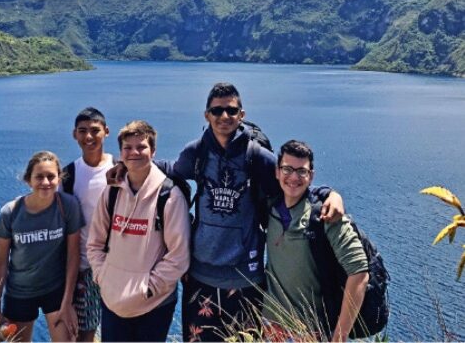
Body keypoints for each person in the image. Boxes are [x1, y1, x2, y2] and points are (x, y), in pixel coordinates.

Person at [107, 82, 345, 341]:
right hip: (200, 275)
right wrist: (128, 164)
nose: (224, 117)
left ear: (241, 115)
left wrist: (328, 194)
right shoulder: (197, 151)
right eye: (217, 111)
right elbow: (172, 169)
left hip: (245, 277)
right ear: (206, 115)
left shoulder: (256, 155)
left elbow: (290, 181)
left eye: (231, 111)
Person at [87, 120, 190, 342]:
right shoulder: (112, 192)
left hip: (153, 304)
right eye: (127, 147)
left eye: (141, 147)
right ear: (121, 153)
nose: (134, 152)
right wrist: (102, 276)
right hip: (113, 299)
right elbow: (94, 242)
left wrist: (148, 288)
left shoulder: (169, 196)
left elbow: (179, 256)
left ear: (153, 151)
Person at [264, 140, 368, 342]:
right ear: (277, 172)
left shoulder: (326, 216)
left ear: (311, 176)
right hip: (270, 327)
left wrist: (339, 337)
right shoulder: (269, 207)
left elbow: (359, 272)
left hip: (310, 332)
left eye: (302, 171)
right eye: (287, 169)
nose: (294, 177)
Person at [0, 151, 84, 342]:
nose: (45, 182)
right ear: (28, 180)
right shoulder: (12, 212)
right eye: (39, 177)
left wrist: (67, 303)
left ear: (59, 178)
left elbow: (73, 256)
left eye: (51, 176)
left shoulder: (67, 206)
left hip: (56, 290)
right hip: (20, 293)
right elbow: (0, 262)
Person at [60, 107, 114, 342]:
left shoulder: (120, 169)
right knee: (83, 334)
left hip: (117, 266)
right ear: (74, 134)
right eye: (83, 131)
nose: (89, 137)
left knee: (120, 331)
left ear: (106, 132)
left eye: (95, 130)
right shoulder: (69, 175)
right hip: (84, 268)